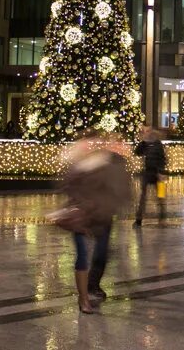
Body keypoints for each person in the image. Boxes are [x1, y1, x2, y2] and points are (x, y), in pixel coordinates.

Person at [58, 132, 131, 313]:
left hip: (102, 215)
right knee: (82, 255)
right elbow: (69, 187)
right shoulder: (78, 162)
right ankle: (83, 299)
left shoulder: (110, 162)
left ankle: (93, 284)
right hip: (81, 216)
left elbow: (120, 188)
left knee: (102, 251)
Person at [133, 127, 167, 226]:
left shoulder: (158, 144)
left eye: (148, 130)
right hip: (147, 173)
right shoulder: (144, 144)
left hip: (158, 174)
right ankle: (138, 219)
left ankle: (162, 218)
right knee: (142, 197)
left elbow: (162, 158)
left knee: (161, 196)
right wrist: (142, 142)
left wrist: (161, 172)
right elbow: (137, 153)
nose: (146, 132)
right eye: (145, 131)